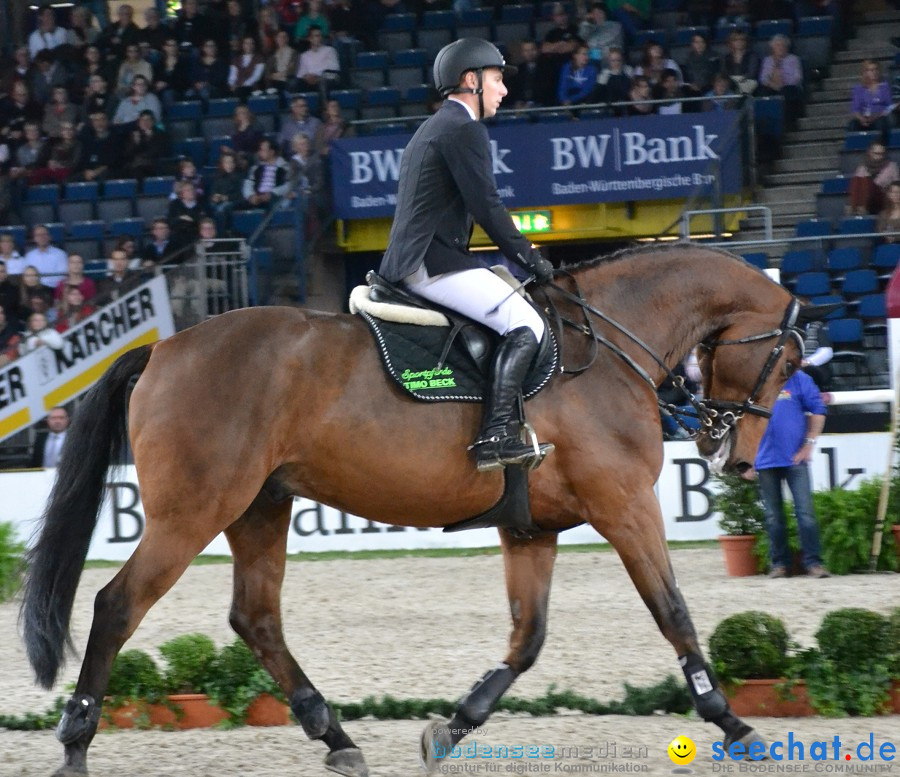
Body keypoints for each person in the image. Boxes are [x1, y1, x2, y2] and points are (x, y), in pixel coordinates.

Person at [378, 39, 555, 473]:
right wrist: (533, 259)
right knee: (527, 322)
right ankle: (495, 435)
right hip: (430, 263)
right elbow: (487, 206)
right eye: (497, 80)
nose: (504, 90)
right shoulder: (463, 128)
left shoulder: (439, 125)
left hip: (423, 257)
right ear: (470, 81)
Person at [748, 369, 829, 579]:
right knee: (774, 517)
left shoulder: (799, 379)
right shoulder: (754, 379)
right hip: (764, 460)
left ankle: (813, 563)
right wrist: (746, 460)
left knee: (806, 514)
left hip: (795, 458)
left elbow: (818, 410)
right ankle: (780, 565)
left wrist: (808, 445)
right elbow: (743, 422)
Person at [847, 140, 899, 216]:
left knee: (867, 182)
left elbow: (897, 185)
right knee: (857, 179)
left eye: (882, 154)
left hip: (884, 197)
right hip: (866, 199)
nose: (879, 156)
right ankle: (856, 208)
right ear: (870, 153)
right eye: (877, 153)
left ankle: (860, 208)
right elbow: (857, 186)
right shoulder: (862, 167)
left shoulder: (892, 166)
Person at [847, 60, 894, 140]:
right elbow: (855, 109)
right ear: (865, 72)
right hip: (864, 118)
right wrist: (862, 119)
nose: (874, 72)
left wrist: (876, 116)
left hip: (879, 117)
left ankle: (880, 146)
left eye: (876, 69)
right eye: (871, 70)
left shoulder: (885, 87)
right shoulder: (858, 89)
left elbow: (889, 106)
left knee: (881, 123)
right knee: (853, 124)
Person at [242, 139, 291, 209]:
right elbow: (248, 183)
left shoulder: (285, 167)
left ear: (271, 152)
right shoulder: (256, 168)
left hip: (274, 198)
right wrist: (250, 196)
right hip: (257, 197)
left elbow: (289, 185)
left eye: (262, 150)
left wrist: (272, 193)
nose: (259, 152)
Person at [293, 25, 340, 91]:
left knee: (322, 82)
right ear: (310, 38)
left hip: (327, 79)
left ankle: (324, 101)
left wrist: (316, 75)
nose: (320, 38)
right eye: (317, 36)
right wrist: (307, 77)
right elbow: (300, 73)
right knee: (294, 84)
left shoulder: (330, 50)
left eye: (320, 35)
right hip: (310, 81)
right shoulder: (304, 55)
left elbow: (334, 67)